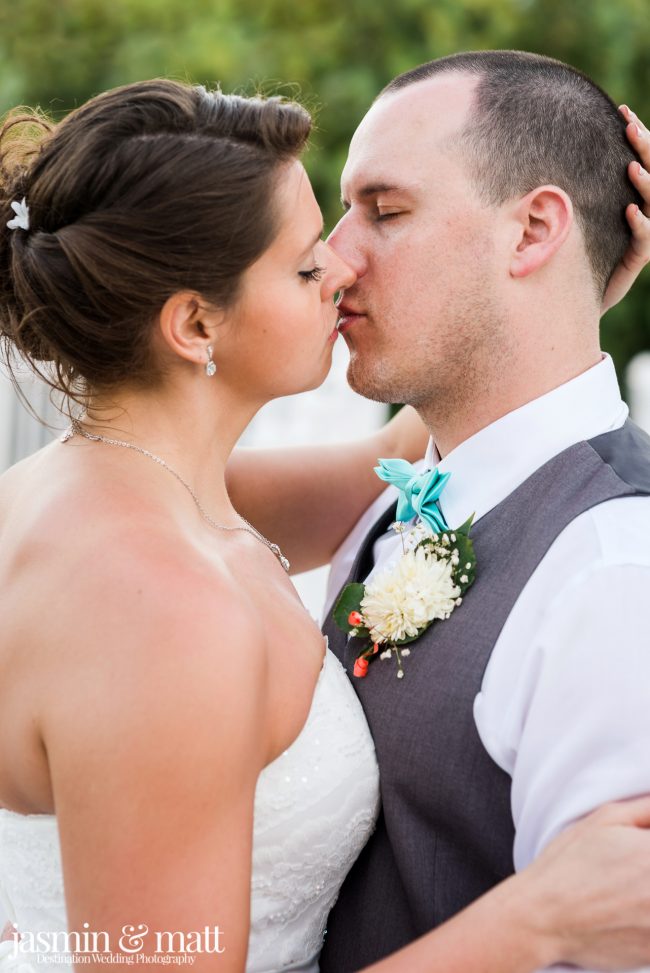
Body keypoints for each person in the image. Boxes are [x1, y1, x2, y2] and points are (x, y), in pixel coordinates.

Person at [0, 74, 650, 973]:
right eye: (307, 263)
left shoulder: (117, 489)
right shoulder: (156, 595)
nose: (339, 265)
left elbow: (385, 457)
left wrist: (556, 295)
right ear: (194, 324)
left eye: (382, 211)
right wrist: (536, 924)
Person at [223, 52, 650, 973]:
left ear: (534, 229)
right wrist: (566, 305)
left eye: (385, 210)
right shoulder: (407, 485)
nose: (335, 255)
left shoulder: (615, 576)